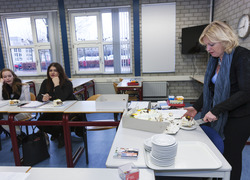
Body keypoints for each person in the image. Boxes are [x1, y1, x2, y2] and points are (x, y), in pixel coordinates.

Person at [183, 21, 250, 180]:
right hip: (219, 112)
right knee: (211, 150)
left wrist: (217, 109)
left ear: (225, 39)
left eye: (211, 44)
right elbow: (210, 88)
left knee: (230, 157)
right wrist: (196, 107)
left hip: (239, 117)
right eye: (206, 45)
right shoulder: (216, 59)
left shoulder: (242, 56)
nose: (208, 49)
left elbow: (246, 92)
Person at [36, 62, 77, 148]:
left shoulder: (67, 83)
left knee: (58, 122)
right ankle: (58, 135)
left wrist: (56, 85)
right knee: (39, 122)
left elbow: (62, 98)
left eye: (55, 70)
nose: (52, 73)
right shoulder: (45, 82)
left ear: (60, 72)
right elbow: (38, 96)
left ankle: (62, 135)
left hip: (66, 110)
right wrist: (43, 98)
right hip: (52, 110)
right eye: (50, 70)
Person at [0, 68, 31, 145]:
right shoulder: (3, 87)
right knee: (6, 117)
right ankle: (20, 135)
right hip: (8, 112)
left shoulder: (24, 86)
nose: (7, 78)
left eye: (9, 76)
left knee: (6, 118)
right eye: (5, 77)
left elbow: (28, 102)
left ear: (13, 76)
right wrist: (0, 85)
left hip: (23, 111)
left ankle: (17, 135)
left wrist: (14, 105)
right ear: (2, 79)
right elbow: (1, 101)